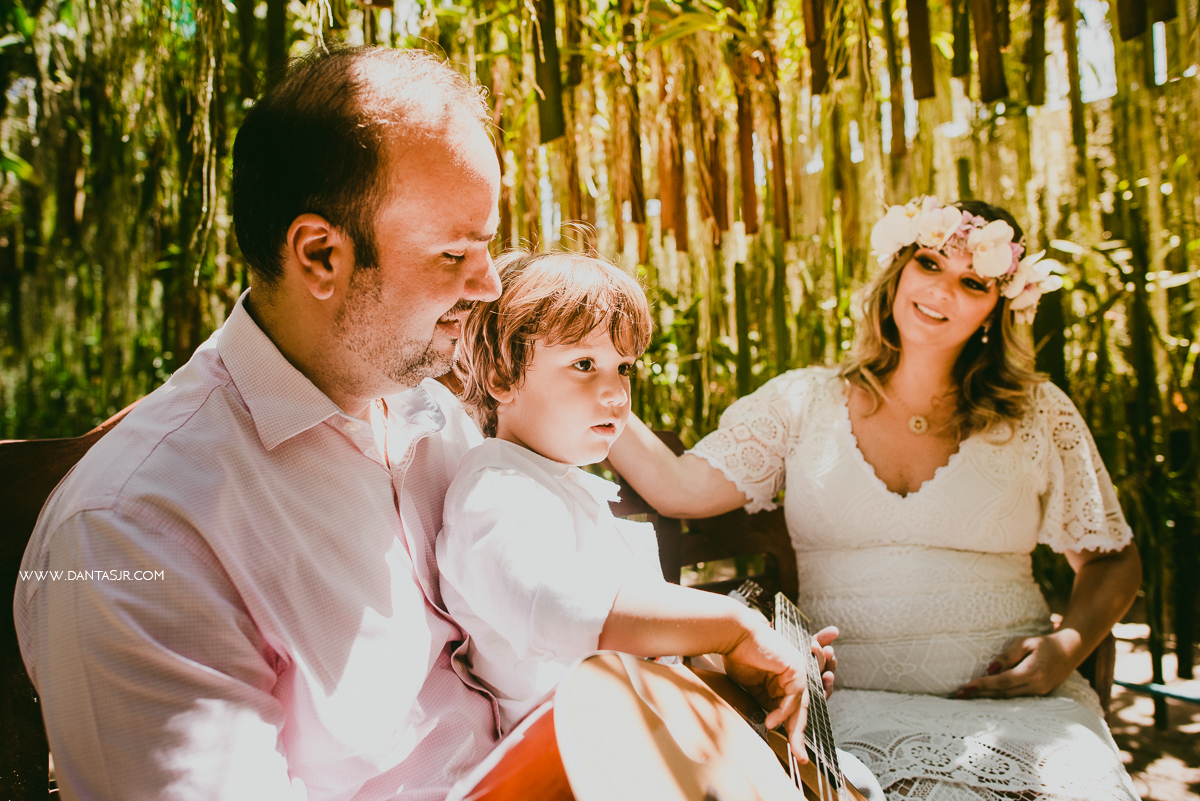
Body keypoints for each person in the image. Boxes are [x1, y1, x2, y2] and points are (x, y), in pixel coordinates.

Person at [15, 46, 508, 800]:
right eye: (454, 253)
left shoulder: (432, 415)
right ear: (320, 256)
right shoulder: (134, 531)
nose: (490, 282)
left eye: (489, 244)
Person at [607, 197, 1142, 800]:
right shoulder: (802, 402)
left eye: (973, 282)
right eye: (930, 264)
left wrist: (1064, 649)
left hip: (1017, 714)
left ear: (998, 307)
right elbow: (676, 487)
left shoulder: (1039, 413)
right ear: (899, 271)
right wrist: (588, 375)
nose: (942, 291)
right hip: (844, 710)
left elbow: (1111, 558)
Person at [437, 250, 836, 752]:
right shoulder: (497, 490)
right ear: (501, 378)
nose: (616, 394)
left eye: (624, 367)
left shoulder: (560, 487)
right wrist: (735, 628)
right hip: (579, 766)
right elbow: (559, 607)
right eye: (584, 364)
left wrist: (746, 667)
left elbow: (648, 655)